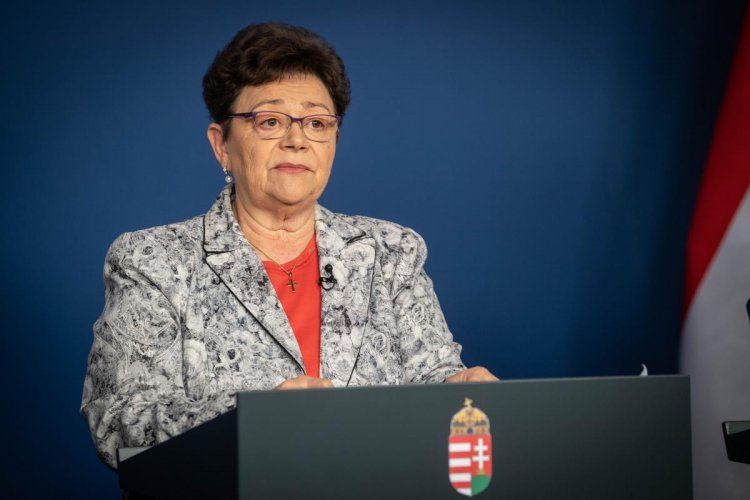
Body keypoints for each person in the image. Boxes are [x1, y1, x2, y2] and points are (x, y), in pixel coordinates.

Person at [81, 22, 498, 469]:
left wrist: (459, 390)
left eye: (317, 123)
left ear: (334, 141)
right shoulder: (153, 262)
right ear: (222, 145)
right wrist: (255, 417)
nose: (297, 140)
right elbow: (118, 423)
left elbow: (431, 378)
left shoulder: (392, 252)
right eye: (270, 121)